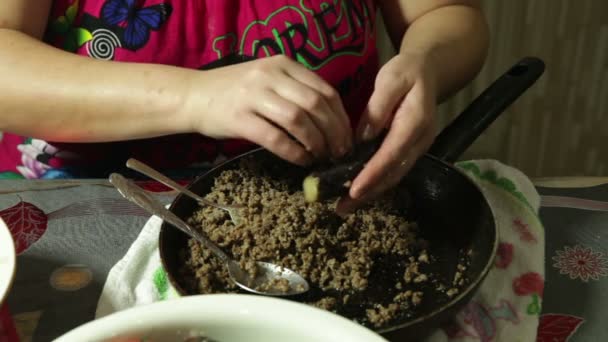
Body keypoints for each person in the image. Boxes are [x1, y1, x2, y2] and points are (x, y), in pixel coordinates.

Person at [0, 0, 488, 209]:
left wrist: (427, 61)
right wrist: (192, 96)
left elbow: (446, 14)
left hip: (336, 200)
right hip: (99, 214)